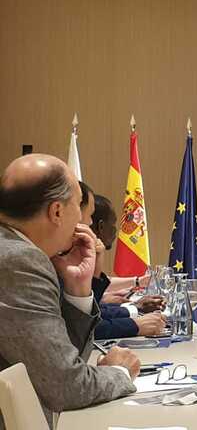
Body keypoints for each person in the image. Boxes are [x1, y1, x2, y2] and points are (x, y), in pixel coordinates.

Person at [0, 154, 139, 428]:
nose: (84, 221)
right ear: (57, 212)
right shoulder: (18, 260)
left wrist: (78, 287)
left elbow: (56, 363)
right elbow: (65, 386)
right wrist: (120, 372)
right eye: (78, 205)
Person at [76, 184, 164, 340]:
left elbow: (91, 313)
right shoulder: (63, 261)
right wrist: (135, 324)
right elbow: (85, 326)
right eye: (88, 216)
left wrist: (132, 308)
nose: (89, 222)